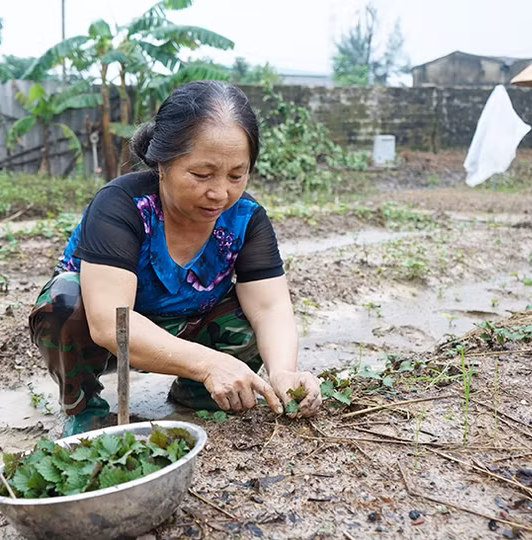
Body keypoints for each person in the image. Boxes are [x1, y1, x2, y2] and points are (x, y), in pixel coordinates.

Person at [29, 80, 322, 436]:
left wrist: (284, 372)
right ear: (163, 163)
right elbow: (110, 324)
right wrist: (208, 363)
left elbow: (270, 308)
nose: (219, 192)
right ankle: (85, 408)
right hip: (102, 340)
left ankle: (198, 394)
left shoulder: (246, 219)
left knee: (248, 312)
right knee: (63, 299)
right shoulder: (121, 206)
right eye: (201, 175)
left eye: (236, 175)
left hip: (189, 324)